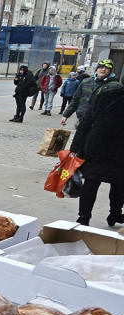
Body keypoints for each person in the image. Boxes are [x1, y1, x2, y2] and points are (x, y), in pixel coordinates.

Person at [69, 84, 124, 226]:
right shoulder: (105, 95)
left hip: (96, 146)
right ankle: (115, 214)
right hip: (119, 150)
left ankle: (84, 217)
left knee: (92, 181)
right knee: (119, 184)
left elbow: (86, 122)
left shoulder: (104, 95)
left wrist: (75, 148)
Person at [62, 59, 121, 126]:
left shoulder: (116, 86)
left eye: (107, 68)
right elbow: (76, 100)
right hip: (83, 119)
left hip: (101, 123)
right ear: (97, 69)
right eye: (101, 67)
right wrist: (66, 115)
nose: (103, 70)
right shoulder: (85, 82)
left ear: (110, 71)